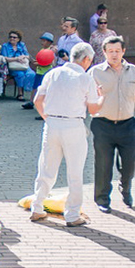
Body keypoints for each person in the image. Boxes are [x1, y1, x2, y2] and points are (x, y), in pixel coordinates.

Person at [29, 42, 102, 227]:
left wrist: (46, 117)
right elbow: (93, 109)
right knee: (75, 171)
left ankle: (37, 207)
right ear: (86, 59)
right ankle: (72, 214)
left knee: (46, 167)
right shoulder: (85, 78)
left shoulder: (53, 73)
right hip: (73, 125)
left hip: (52, 123)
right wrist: (102, 97)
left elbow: (38, 100)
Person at [90, 36, 135, 213]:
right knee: (103, 164)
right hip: (102, 124)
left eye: (117, 51)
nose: (114, 55)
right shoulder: (95, 72)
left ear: (123, 51)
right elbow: (85, 97)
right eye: (110, 51)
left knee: (130, 162)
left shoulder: (133, 71)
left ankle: (125, 187)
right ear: (104, 52)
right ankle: (102, 199)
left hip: (127, 124)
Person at [22, 32, 58, 112]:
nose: (42, 42)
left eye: (44, 41)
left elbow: (50, 62)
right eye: (42, 40)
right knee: (35, 87)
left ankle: (43, 104)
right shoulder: (42, 50)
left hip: (46, 72)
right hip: (39, 71)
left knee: (44, 88)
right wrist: (35, 62)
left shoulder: (50, 51)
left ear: (49, 42)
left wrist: (38, 63)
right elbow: (40, 59)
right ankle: (31, 102)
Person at [0, 30, 36, 100]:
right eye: (10, 37)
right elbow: (4, 58)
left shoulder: (22, 45)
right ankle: (20, 94)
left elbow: (27, 56)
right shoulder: (5, 46)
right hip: (13, 67)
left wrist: (22, 57)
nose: (12, 38)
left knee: (32, 74)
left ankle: (28, 90)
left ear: (18, 39)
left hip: (23, 65)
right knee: (20, 74)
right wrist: (16, 59)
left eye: (14, 37)